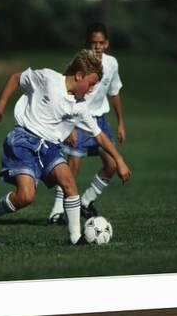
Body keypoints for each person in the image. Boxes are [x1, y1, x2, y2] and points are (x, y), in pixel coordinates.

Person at [0, 49, 131, 246]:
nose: (91, 90)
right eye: (90, 84)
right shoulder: (48, 79)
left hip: (49, 147)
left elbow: (99, 135)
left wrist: (119, 160)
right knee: (26, 196)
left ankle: (76, 238)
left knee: (69, 183)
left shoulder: (80, 106)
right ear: (79, 75)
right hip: (24, 140)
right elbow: (15, 78)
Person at [48, 23, 126, 224]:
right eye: (93, 42)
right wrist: (69, 126)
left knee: (111, 165)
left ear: (107, 43)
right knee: (71, 169)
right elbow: (67, 90)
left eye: (101, 43)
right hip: (79, 121)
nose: (97, 46)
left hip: (100, 121)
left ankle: (86, 201)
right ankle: (56, 212)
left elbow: (114, 92)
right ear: (88, 43)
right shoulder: (80, 63)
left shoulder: (112, 64)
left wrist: (120, 123)